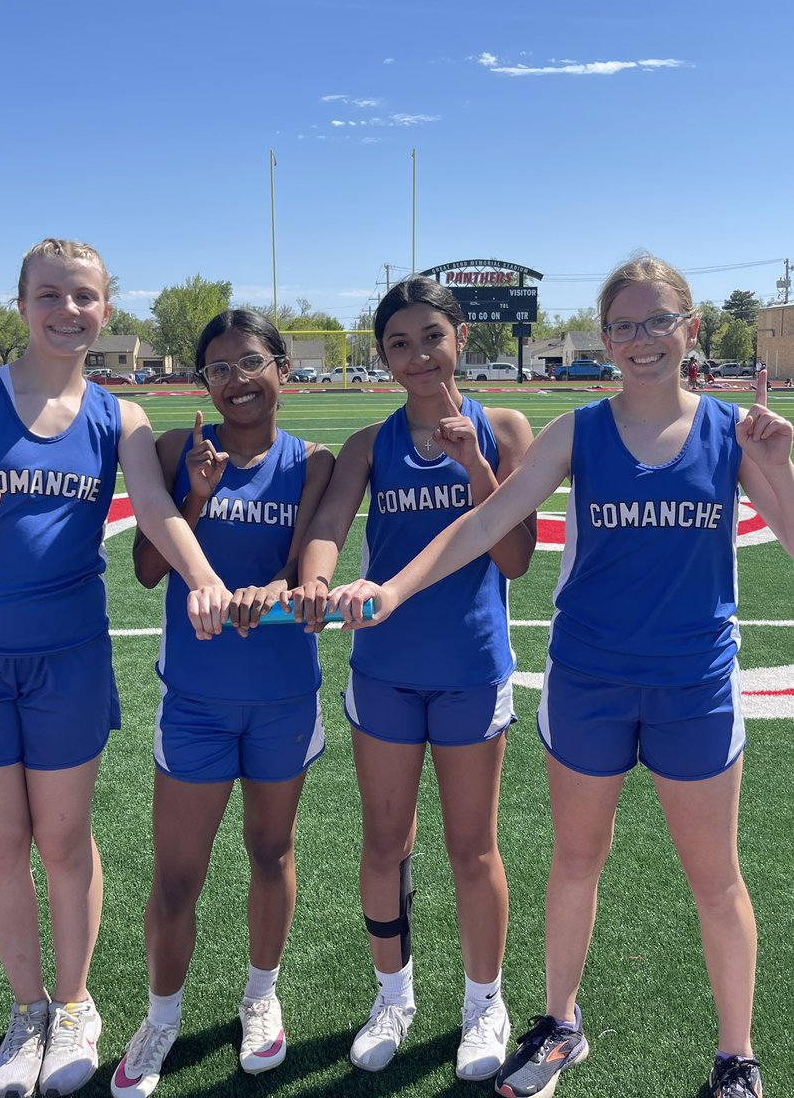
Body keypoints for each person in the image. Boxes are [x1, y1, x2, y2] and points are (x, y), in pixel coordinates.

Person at [328, 255, 794, 1098]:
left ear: (690, 328)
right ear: (605, 337)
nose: (640, 340)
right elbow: (490, 521)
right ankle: (560, 1026)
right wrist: (391, 588)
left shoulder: (735, 431)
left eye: (658, 321)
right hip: (590, 682)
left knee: (716, 878)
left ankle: (736, 1057)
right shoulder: (578, 429)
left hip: (695, 685)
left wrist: (784, 467)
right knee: (575, 861)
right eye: (623, 325)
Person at [0, 239, 227, 1098]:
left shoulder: (118, 418)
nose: (68, 310)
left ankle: (77, 1005)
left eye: (84, 296)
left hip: (67, 660)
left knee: (62, 839)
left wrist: (205, 581)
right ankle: (28, 1009)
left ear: (106, 309)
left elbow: (155, 508)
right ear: (20, 305)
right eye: (50, 295)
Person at [286, 276, 536, 1081]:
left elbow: (516, 558)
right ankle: (393, 995)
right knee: (386, 841)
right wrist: (319, 580)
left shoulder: (502, 426)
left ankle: (483, 1003)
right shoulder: (370, 442)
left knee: (472, 849)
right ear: (384, 356)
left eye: (431, 336)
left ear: (461, 337)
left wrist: (476, 466)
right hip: (385, 671)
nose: (417, 355)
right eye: (399, 343)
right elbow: (327, 525)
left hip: (470, 666)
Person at [110, 310, 334, 1097]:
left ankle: (261, 997)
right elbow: (145, 568)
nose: (236, 381)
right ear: (203, 381)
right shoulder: (177, 451)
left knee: (272, 853)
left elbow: (307, 562)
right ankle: (162, 1016)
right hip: (198, 702)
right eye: (218, 369)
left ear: (281, 368)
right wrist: (196, 497)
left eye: (251, 362)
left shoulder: (314, 462)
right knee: (177, 876)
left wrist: (281, 587)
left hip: (281, 696)